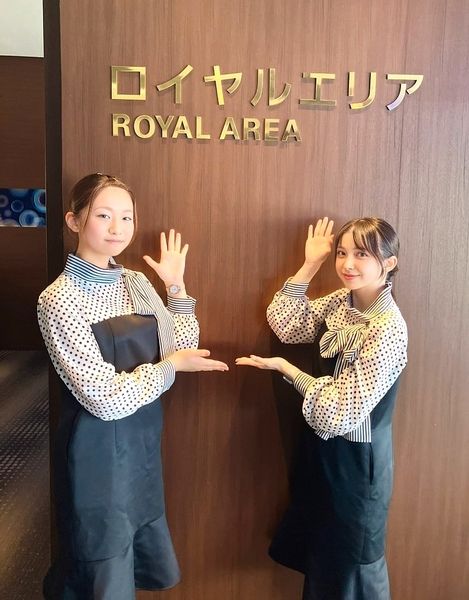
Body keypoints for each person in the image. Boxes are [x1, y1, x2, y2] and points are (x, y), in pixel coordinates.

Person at [37, 173, 228, 600]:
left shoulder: (136, 282)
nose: (117, 228)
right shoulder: (59, 298)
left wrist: (176, 286)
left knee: (132, 543)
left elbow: (180, 347)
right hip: (95, 447)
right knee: (99, 558)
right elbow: (103, 399)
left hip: (141, 438)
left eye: (126, 217)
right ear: (74, 220)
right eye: (103, 215)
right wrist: (169, 368)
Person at [236, 217, 407, 600]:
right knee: (324, 568)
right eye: (342, 253)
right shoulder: (341, 302)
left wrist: (290, 371)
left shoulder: (387, 328)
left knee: (352, 572)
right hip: (323, 454)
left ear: (389, 262)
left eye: (361, 254)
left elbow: (338, 413)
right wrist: (311, 263)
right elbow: (286, 324)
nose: (347, 264)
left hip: (358, 465)